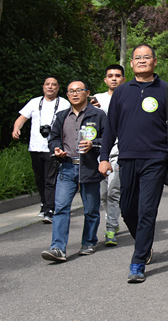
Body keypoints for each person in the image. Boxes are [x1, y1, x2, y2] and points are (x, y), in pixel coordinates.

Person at [99, 44, 168, 283]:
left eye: (147, 57)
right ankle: (144, 244)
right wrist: (103, 157)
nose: (142, 60)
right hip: (127, 158)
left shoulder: (167, 89)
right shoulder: (121, 92)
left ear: (155, 61)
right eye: (138, 57)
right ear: (132, 63)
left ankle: (138, 262)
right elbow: (110, 128)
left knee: (147, 210)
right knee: (127, 209)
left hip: (156, 159)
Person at [41, 81, 107, 262]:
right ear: (67, 95)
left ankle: (89, 242)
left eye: (79, 90)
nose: (75, 94)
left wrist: (93, 144)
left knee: (91, 209)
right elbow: (53, 138)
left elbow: (108, 138)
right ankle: (57, 248)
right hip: (67, 167)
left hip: (90, 167)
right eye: (71, 91)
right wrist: (56, 149)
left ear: (88, 93)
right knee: (61, 208)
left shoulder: (98, 115)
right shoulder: (62, 116)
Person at [12, 76, 69, 223]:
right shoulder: (34, 102)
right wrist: (16, 128)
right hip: (36, 147)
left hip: (53, 147)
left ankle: (50, 209)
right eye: (47, 84)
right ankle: (44, 203)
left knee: (51, 179)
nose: (50, 87)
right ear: (43, 87)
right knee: (39, 179)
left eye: (53, 85)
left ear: (58, 88)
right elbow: (22, 118)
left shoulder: (64, 103)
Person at [94, 64, 125, 246]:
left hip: (118, 151)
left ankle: (111, 228)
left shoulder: (129, 97)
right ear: (105, 79)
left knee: (114, 191)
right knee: (103, 194)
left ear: (123, 79)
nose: (114, 78)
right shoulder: (96, 99)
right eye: (110, 76)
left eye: (117, 76)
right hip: (97, 151)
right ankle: (112, 219)